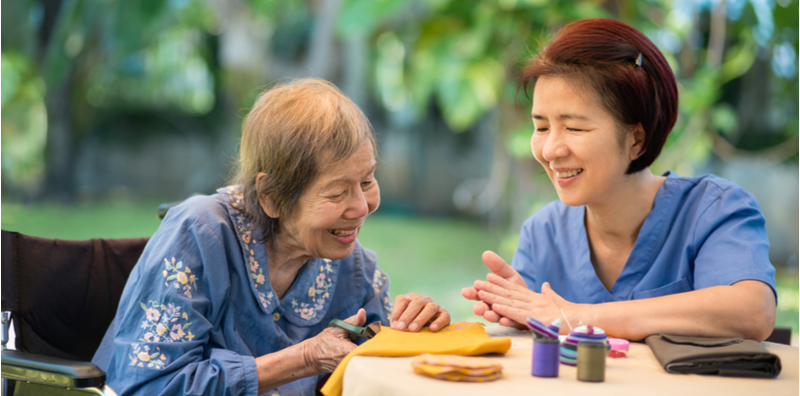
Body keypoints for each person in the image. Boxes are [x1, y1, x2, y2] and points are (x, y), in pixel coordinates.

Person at [93, 78, 450, 396]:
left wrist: (416, 328)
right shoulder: (200, 233)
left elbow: (381, 364)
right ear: (272, 197)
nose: (362, 207)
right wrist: (304, 358)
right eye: (337, 192)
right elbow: (147, 386)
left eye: (367, 181)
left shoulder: (351, 265)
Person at [461, 19, 776, 341]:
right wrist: (519, 317)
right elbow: (533, 339)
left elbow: (753, 312)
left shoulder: (714, 210)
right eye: (541, 127)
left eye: (574, 128)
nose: (550, 150)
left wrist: (575, 317)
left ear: (636, 139)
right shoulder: (543, 233)